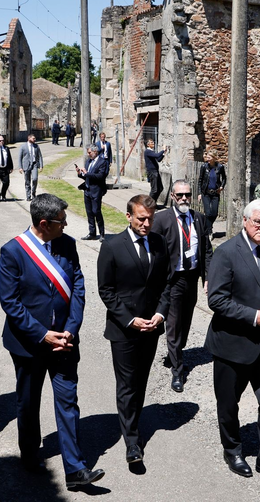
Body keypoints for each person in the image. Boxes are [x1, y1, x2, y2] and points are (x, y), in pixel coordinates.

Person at [0, 194, 104, 488]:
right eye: (61, 221)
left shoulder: (67, 245)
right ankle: (30, 454)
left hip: (66, 342)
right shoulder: (13, 252)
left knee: (68, 402)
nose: (66, 225)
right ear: (44, 223)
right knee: (28, 403)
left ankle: (75, 468)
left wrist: (70, 329)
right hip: (29, 345)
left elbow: (79, 285)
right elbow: (11, 303)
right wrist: (43, 334)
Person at [205, 198, 260, 486]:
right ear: (245, 220)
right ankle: (232, 450)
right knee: (229, 404)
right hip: (233, 344)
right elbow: (216, 299)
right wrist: (255, 317)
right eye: (258, 222)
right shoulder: (227, 253)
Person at [97, 195, 172, 465]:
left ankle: (134, 421)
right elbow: (106, 290)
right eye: (141, 218)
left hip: (151, 327)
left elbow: (167, 283)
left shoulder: (159, 242)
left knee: (140, 381)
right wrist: (130, 320)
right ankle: (132, 441)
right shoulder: (112, 245)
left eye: (150, 218)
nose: (147, 223)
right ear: (128, 216)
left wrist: (160, 314)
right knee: (127, 384)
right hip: (124, 330)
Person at [151, 180, 213, 393]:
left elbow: (206, 249)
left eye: (187, 194)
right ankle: (177, 370)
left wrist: (207, 276)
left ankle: (174, 352)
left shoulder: (199, 218)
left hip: (191, 277)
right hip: (172, 279)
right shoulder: (161, 220)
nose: (184, 198)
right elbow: (153, 252)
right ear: (172, 197)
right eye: (180, 195)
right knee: (174, 324)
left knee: (186, 320)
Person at [75, 144, 108, 241]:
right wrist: (80, 174)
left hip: (96, 191)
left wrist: (87, 173)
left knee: (96, 211)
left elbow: (100, 176)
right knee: (89, 213)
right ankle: (92, 233)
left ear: (95, 152)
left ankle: (102, 233)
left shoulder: (102, 162)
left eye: (89, 152)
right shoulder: (88, 161)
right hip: (87, 190)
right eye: (88, 152)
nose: (88, 154)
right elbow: (86, 176)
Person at [197, 150, 226, 236]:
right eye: (207, 157)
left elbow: (224, 178)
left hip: (215, 193)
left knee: (214, 213)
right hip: (205, 193)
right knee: (208, 212)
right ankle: (209, 232)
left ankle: (207, 226)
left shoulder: (220, 167)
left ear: (214, 158)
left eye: (209, 157)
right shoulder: (204, 167)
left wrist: (222, 186)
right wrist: (199, 193)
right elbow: (200, 180)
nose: (207, 159)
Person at [18, 134, 44, 201]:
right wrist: (20, 167)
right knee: (27, 181)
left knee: (35, 179)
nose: (34, 140)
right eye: (33, 138)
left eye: (35, 138)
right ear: (29, 138)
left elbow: (40, 156)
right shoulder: (23, 146)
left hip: (34, 164)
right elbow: (20, 158)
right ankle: (28, 195)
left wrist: (41, 166)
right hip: (26, 166)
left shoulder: (36, 146)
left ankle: (33, 192)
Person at [144, 139, 169, 205]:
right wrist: (163, 149)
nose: (153, 143)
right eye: (151, 142)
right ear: (148, 144)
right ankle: (148, 205)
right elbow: (157, 155)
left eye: (153, 142)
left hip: (155, 172)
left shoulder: (151, 151)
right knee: (154, 190)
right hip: (152, 172)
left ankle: (154, 203)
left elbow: (158, 159)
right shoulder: (147, 151)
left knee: (160, 188)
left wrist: (163, 153)